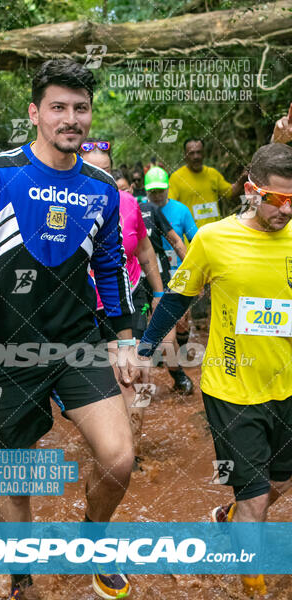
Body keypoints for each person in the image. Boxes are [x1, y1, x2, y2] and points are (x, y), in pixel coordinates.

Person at [0, 59, 140, 600]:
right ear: (35, 113)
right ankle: (22, 579)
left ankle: (94, 541)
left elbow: (111, 264)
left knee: (119, 457)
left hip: (78, 343)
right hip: (11, 351)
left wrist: (122, 336)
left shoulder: (99, 186)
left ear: (90, 115)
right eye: (58, 108)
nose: (71, 119)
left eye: (80, 108)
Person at [138, 143, 292, 597]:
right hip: (231, 390)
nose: (286, 210)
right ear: (251, 191)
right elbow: (177, 299)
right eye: (278, 199)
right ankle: (255, 588)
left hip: (286, 385)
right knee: (255, 502)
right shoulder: (214, 239)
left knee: (278, 481)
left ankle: (232, 516)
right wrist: (145, 352)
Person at [78, 142, 164, 466]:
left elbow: (145, 251)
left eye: (107, 171)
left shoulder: (128, 204)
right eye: (92, 169)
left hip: (130, 298)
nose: (101, 176)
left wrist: (158, 295)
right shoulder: (62, 206)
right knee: (102, 381)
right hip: (85, 306)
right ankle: (110, 446)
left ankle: (132, 454)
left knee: (137, 375)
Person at [141, 168, 193, 394]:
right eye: (153, 192)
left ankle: (178, 373)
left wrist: (195, 273)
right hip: (136, 281)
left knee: (176, 327)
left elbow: (182, 242)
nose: (157, 196)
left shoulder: (177, 210)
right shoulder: (137, 209)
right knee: (145, 336)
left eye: (161, 191)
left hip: (168, 277)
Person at [168, 138, 247, 228]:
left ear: (204, 154)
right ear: (185, 155)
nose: (196, 157)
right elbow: (170, 207)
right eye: (191, 153)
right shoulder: (176, 177)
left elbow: (231, 192)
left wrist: (243, 178)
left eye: (199, 152)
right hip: (192, 236)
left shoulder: (213, 174)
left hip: (214, 233)